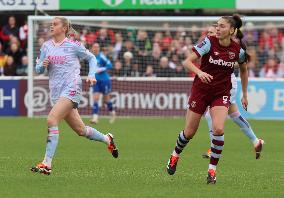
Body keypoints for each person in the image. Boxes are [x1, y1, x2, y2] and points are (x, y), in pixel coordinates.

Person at [166, 14, 250, 184]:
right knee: (189, 132)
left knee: (218, 129)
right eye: (217, 25)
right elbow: (187, 62)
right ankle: (175, 155)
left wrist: (245, 94)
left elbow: (244, 70)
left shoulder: (237, 51)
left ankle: (212, 171)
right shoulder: (209, 42)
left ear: (232, 30)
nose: (218, 29)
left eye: (222, 26)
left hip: (221, 93)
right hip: (201, 91)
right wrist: (200, 72)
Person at [31, 17, 118, 175]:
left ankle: (46, 164)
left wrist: (91, 75)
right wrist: (42, 66)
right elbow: (38, 70)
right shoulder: (46, 46)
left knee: (51, 119)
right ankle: (107, 139)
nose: (52, 26)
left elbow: (91, 58)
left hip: (72, 88)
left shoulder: (73, 45)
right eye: (51, 23)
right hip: (56, 93)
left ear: (64, 28)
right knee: (81, 130)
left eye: (55, 24)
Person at [202, 25, 264, 160]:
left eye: (211, 32)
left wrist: (245, 94)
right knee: (235, 114)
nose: (209, 34)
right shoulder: (209, 45)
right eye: (208, 32)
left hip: (227, 84)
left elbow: (241, 64)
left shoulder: (228, 47)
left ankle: (214, 147)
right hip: (220, 83)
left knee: (209, 115)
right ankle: (255, 141)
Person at [90, 43, 116, 124]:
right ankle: (95, 118)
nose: (96, 48)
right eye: (94, 47)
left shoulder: (102, 56)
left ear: (99, 48)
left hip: (105, 80)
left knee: (106, 100)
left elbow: (110, 65)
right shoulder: (90, 57)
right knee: (96, 98)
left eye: (97, 47)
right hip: (95, 80)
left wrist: (101, 69)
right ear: (92, 48)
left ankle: (112, 113)